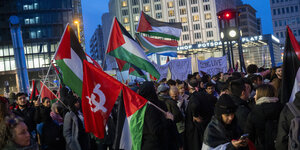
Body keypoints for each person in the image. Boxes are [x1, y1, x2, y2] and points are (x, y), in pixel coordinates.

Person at [138, 81, 180, 150]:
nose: (156, 91)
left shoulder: (153, 105)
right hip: (155, 145)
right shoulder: (150, 108)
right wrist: (169, 120)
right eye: (154, 89)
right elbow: (155, 130)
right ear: (150, 91)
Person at [245, 84, 282, 150]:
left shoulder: (254, 112)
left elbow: (249, 135)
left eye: (256, 94)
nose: (254, 97)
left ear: (260, 95)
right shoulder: (282, 108)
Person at [185, 79, 214, 150]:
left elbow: (195, 105)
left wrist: (195, 115)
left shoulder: (194, 96)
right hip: (205, 124)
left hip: (196, 128)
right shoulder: (204, 94)